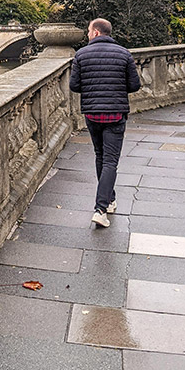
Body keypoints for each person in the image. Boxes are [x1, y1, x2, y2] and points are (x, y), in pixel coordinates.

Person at [68, 17, 141, 228]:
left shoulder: (81, 55)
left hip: (92, 113)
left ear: (97, 33)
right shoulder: (124, 54)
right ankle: (101, 209)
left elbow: (74, 86)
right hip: (116, 114)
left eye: (89, 30)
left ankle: (109, 200)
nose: (88, 34)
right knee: (110, 160)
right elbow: (134, 85)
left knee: (101, 156)